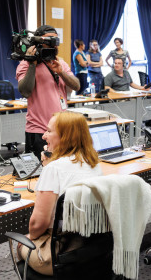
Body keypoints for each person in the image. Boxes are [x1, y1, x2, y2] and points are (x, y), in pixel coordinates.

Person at [17, 111, 103, 275]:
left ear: (65, 137)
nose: (43, 136)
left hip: (58, 254)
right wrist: (51, 165)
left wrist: (49, 168)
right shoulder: (93, 163)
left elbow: (37, 225)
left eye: (49, 131)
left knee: (20, 244)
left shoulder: (54, 169)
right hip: (92, 247)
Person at [16, 25, 80, 160]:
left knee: (60, 172)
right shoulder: (25, 64)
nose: (53, 45)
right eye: (48, 41)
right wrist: (32, 63)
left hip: (62, 130)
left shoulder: (60, 63)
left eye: (55, 41)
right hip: (39, 131)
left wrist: (61, 72)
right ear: (38, 42)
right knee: (39, 176)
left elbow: (76, 85)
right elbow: (25, 91)